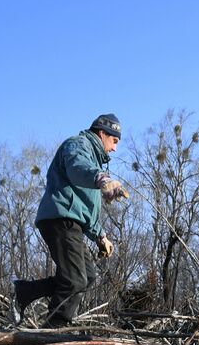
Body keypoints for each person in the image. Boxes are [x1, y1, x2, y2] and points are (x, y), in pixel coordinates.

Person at [11, 113, 127, 328]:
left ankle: (24, 292)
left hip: (69, 221)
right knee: (74, 279)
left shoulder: (93, 160)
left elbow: (85, 206)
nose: (115, 148)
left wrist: (100, 236)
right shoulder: (78, 145)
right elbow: (77, 168)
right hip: (60, 219)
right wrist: (102, 179)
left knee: (87, 276)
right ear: (102, 133)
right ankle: (54, 329)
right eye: (114, 141)